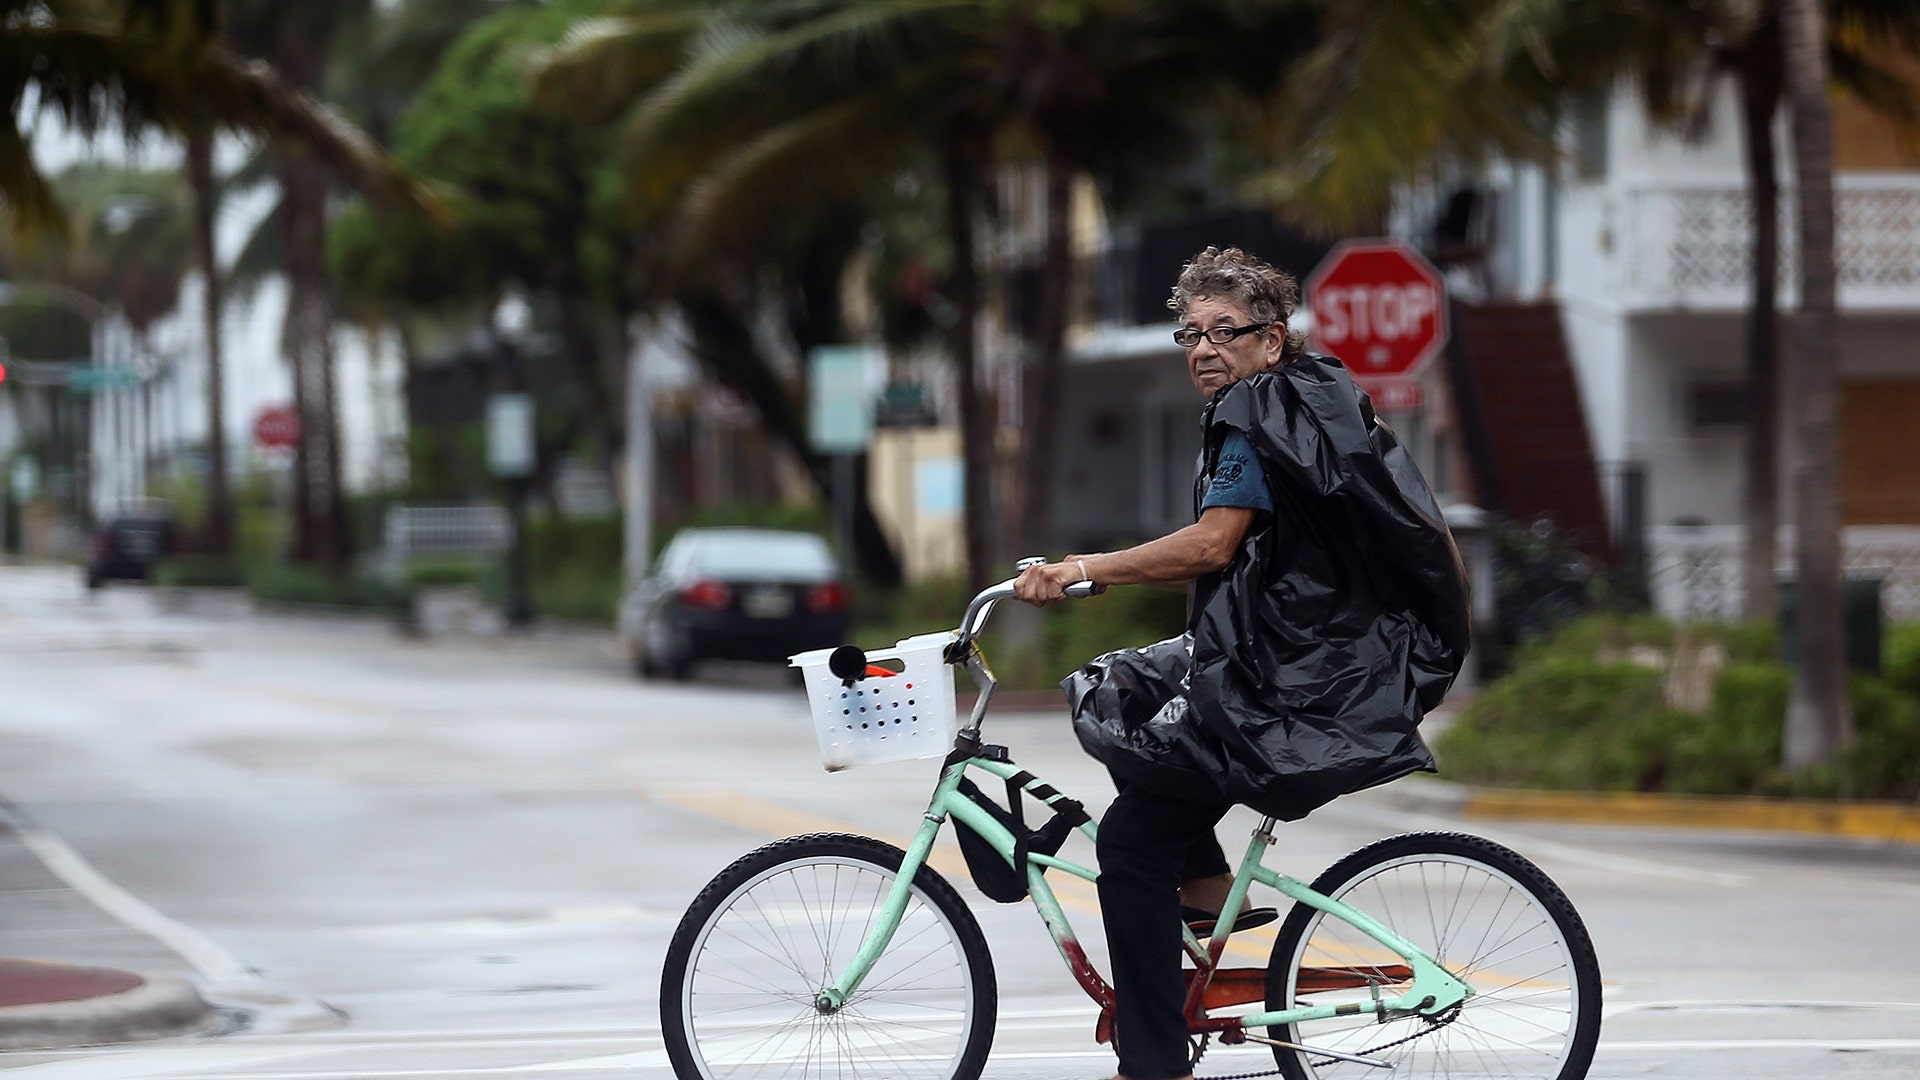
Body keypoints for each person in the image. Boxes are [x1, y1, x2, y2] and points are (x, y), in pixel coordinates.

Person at [1013, 246, 1469, 1080]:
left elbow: (1212, 545)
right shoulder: (1307, 396)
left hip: (1281, 675)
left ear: (1271, 338)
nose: (1203, 348)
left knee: (1127, 846)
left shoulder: (1256, 413)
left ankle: (1153, 1059)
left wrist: (1082, 569)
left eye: (1226, 331)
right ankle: (1210, 882)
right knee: (1123, 690)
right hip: (1296, 651)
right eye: (1190, 332)